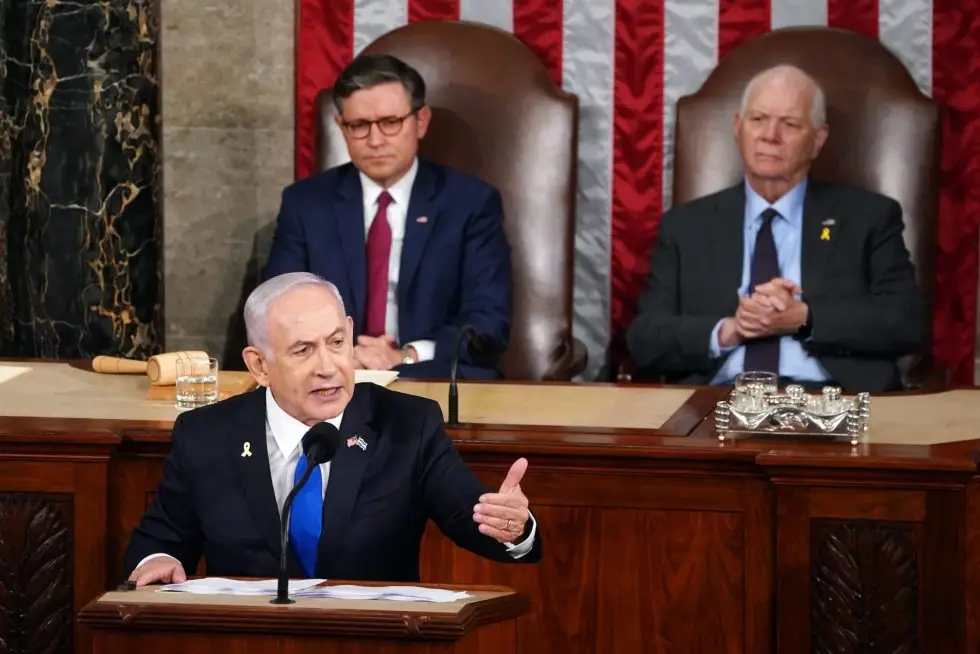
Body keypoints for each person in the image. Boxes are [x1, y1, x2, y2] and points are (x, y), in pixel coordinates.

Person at [124, 272, 539, 586]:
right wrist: (156, 562)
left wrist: (514, 528)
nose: (328, 366)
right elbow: (161, 539)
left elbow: (475, 519)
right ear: (259, 365)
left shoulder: (406, 426)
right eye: (303, 350)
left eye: (337, 343)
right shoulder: (207, 436)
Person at [626, 64, 925, 393]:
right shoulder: (686, 226)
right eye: (758, 119)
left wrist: (805, 318)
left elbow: (906, 322)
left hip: (836, 403)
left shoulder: (869, 217)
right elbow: (645, 340)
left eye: (790, 123)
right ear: (738, 128)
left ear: (817, 139)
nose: (770, 135)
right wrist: (730, 330)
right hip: (716, 403)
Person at [263, 53, 511, 380]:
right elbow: (278, 310)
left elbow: (487, 324)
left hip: (434, 377)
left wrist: (404, 356)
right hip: (332, 378)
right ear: (341, 126)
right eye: (359, 126)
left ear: (420, 122)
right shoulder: (306, 203)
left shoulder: (471, 203)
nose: (375, 140)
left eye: (390, 122)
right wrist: (341, 355)